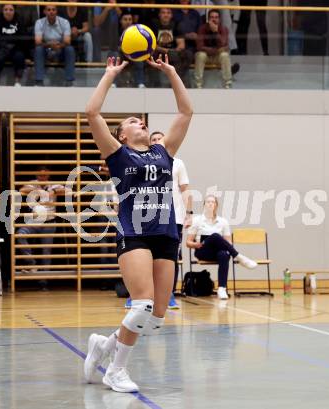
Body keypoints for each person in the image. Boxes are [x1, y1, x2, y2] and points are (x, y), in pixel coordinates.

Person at [84, 54, 193, 393]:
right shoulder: (117, 154)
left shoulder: (164, 152)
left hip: (166, 232)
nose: (141, 123)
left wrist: (172, 72)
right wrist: (109, 75)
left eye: (142, 120)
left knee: (156, 317)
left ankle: (105, 345)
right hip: (134, 232)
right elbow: (92, 113)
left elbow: (186, 112)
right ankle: (115, 370)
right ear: (122, 134)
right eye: (133, 121)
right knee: (141, 303)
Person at [125, 130, 192, 309]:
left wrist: (189, 213)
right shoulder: (138, 160)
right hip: (144, 218)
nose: (156, 141)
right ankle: (137, 293)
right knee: (140, 256)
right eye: (153, 139)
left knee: (171, 257)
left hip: (172, 217)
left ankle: (168, 294)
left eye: (159, 139)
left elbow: (185, 188)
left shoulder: (177, 163)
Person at [186, 195, 257, 299]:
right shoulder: (197, 220)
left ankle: (222, 289)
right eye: (208, 202)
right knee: (215, 236)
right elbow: (188, 243)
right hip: (202, 250)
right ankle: (238, 257)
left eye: (213, 202)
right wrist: (196, 244)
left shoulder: (223, 222)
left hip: (217, 253)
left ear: (216, 205)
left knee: (224, 254)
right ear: (204, 205)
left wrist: (226, 248)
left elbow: (228, 243)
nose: (210, 204)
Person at [17, 165, 69, 277]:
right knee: (20, 235)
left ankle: (43, 281)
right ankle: (31, 263)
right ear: (37, 175)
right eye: (40, 175)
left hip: (49, 222)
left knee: (46, 252)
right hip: (33, 222)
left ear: (48, 175)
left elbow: (68, 190)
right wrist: (37, 190)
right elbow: (21, 189)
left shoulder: (53, 184)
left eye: (45, 175)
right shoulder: (32, 183)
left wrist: (54, 191)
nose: (42, 177)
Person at [34, 5, 76, 87]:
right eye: (48, 10)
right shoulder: (39, 22)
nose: (51, 12)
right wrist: (49, 45)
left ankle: (69, 81)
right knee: (38, 49)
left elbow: (67, 41)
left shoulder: (64, 22)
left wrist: (59, 46)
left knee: (70, 49)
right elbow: (38, 41)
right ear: (45, 12)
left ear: (56, 11)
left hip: (60, 50)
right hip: (46, 50)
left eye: (53, 10)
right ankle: (39, 81)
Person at [151, 7, 193, 88]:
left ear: (171, 15)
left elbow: (181, 45)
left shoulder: (177, 25)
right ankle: (157, 84)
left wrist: (173, 51)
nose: (166, 15)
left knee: (187, 54)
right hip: (158, 52)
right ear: (159, 15)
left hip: (172, 52)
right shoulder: (154, 25)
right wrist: (167, 50)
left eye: (168, 13)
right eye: (163, 13)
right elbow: (152, 45)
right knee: (152, 54)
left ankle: (176, 80)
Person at [0, 4, 26, 87]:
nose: (8, 12)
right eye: (5, 9)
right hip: (0, 47)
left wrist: (15, 48)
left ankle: (17, 82)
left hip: (15, 48)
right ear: (2, 10)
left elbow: (23, 37)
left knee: (19, 56)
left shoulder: (19, 19)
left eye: (10, 10)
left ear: (14, 11)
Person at [194, 9, 232, 89]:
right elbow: (199, 47)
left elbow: (224, 45)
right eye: (211, 17)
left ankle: (228, 84)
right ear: (208, 19)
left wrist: (216, 32)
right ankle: (198, 84)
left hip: (217, 57)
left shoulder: (223, 29)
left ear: (219, 19)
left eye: (216, 17)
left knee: (225, 55)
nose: (214, 19)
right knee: (200, 55)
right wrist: (216, 50)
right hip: (206, 56)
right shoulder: (202, 28)